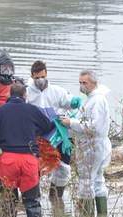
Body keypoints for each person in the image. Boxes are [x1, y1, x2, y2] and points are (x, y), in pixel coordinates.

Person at [0, 83, 52, 217]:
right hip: (29, 161)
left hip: (8, 162)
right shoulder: (33, 109)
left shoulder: (0, 111)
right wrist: (33, 129)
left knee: (8, 202)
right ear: (25, 96)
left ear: (8, 96)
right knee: (32, 203)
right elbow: (47, 125)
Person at [26, 60, 82, 199]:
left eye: (42, 76)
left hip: (54, 134)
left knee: (63, 165)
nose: (40, 80)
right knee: (33, 168)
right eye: (37, 77)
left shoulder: (56, 91)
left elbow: (70, 102)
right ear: (32, 77)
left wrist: (80, 102)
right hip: (35, 135)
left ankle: (55, 196)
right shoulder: (26, 92)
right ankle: (33, 197)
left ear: (47, 75)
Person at [60, 69, 112, 215]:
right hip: (95, 146)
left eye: (85, 83)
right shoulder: (90, 98)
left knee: (86, 181)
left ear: (94, 83)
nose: (82, 86)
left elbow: (93, 126)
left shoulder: (96, 100)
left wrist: (72, 122)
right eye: (80, 83)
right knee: (98, 180)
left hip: (92, 146)